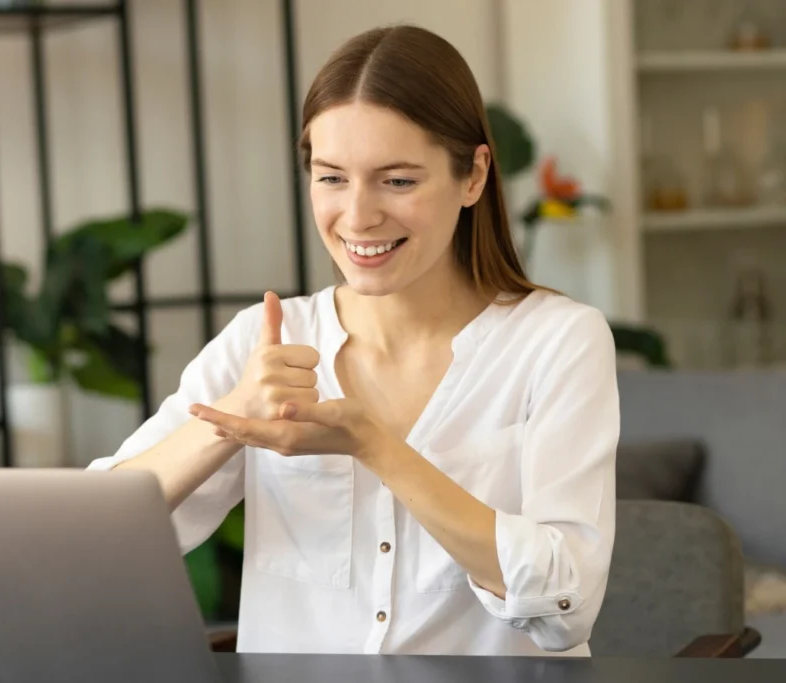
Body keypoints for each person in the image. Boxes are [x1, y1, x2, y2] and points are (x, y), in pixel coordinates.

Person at [88, 23, 619, 657]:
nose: (359, 216)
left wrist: (373, 446)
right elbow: (96, 537)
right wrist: (228, 418)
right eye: (331, 177)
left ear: (473, 176)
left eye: (398, 181)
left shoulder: (557, 342)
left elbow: (567, 606)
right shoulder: (266, 343)